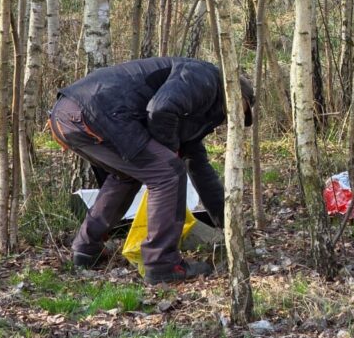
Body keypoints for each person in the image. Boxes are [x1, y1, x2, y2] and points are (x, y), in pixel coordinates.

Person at [48, 57, 255, 285]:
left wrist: (228, 224)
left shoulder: (195, 113)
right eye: (239, 109)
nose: (233, 119)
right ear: (234, 92)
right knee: (168, 173)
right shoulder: (203, 77)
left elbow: (200, 170)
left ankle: (86, 249)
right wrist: (169, 151)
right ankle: (162, 264)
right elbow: (160, 109)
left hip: (69, 116)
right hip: (95, 110)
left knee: (127, 176)